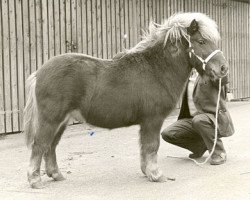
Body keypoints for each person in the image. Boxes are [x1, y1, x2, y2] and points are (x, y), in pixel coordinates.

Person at [161, 69, 235, 165]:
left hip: (212, 118)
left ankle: (219, 153)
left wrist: (221, 66)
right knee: (167, 133)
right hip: (191, 119)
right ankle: (199, 147)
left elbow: (222, 79)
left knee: (199, 120)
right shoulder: (188, 75)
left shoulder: (210, 73)